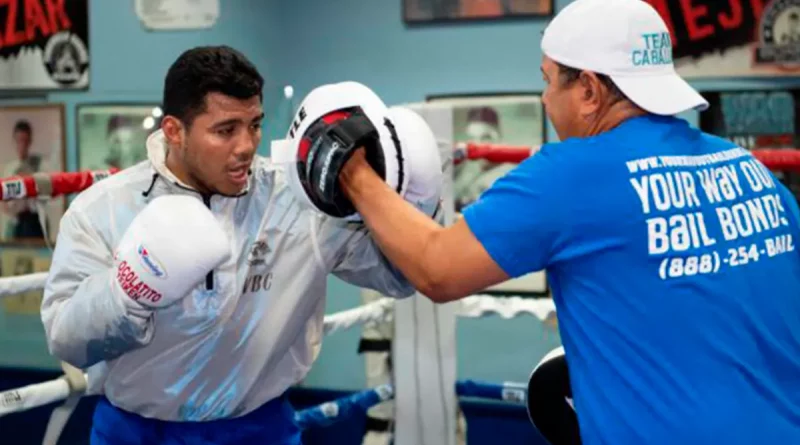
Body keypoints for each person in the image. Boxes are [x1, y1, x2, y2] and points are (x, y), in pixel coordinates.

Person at [290, 0, 800, 443]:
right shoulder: (748, 168)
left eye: (548, 80)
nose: (544, 98)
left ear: (590, 91)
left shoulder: (572, 174)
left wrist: (352, 168)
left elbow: (435, 268)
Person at [41, 46, 443, 445]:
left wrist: (415, 198)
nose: (247, 146)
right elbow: (67, 340)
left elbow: (401, 277)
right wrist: (127, 289)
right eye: (225, 130)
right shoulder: (103, 209)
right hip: (135, 432)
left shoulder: (296, 200)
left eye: (254, 125)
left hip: (258, 429)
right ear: (174, 131)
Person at [2, 120, 45, 239]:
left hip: (33, 221)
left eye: (25, 141)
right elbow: (4, 202)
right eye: (19, 141)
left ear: (30, 142)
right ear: (14, 141)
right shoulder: (9, 169)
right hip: (14, 221)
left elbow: (44, 197)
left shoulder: (38, 167)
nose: (22, 145)